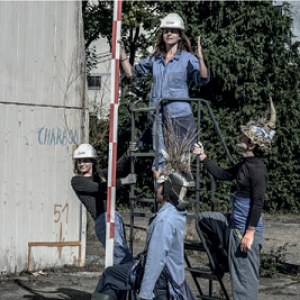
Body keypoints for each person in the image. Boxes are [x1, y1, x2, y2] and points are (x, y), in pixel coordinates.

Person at [193, 98, 276, 300]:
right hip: (235, 225)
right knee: (204, 219)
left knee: (244, 287)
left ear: (251, 144)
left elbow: (258, 203)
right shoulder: (244, 165)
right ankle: (222, 259)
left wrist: (249, 234)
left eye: (245, 136)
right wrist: (203, 157)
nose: (241, 136)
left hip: (244, 232)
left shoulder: (257, 170)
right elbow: (222, 175)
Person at [118, 13, 210, 170]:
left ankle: (177, 194)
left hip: (180, 116)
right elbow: (131, 73)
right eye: (166, 30)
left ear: (180, 35)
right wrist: (122, 54)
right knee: (160, 159)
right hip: (157, 115)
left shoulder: (188, 58)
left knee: (180, 159)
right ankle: (160, 194)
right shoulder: (155, 58)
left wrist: (200, 58)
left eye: (173, 30)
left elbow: (203, 79)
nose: (169, 33)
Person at [91, 167, 196, 300]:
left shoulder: (165, 220)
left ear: (168, 190)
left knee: (109, 277)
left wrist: (145, 293)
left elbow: (156, 259)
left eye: (159, 186)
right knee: (111, 275)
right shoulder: (176, 212)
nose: (156, 189)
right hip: (168, 276)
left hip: (161, 279)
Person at [71, 143, 136, 265]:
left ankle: (124, 278)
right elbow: (98, 188)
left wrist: (127, 155)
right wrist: (122, 182)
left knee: (121, 254)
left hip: (116, 218)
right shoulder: (77, 181)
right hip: (104, 220)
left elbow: (116, 168)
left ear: (93, 162)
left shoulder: (101, 175)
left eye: (85, 160)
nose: (82, 164)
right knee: (120, 255)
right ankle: (129, 276)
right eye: (79, 161)